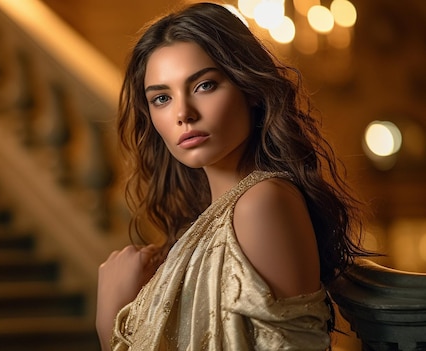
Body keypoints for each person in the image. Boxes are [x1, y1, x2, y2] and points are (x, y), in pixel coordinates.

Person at [96, 2, 370, 350]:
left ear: (250, 88)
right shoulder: (220, 215)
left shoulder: (263, 202)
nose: (183, 113)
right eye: (162, 98)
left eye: (204, 86)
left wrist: (110, 320)